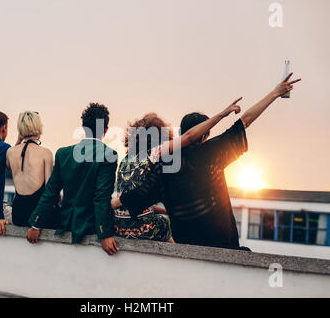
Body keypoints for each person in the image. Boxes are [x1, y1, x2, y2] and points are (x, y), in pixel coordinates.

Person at [112, 73, 301, 249]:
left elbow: (138, 196)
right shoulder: (212, 153)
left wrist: (108, 205)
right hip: (222, 244)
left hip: (187, 248)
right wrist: (275, 93)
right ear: (204, 134)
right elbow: (246, 120)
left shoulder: (164, 164)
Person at [114, 100, 242, 243]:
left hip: (119, 226)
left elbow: (140, 199)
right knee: (167, 225)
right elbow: (189, 137)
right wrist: (222, 114)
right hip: (141, 228)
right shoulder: (155, 153)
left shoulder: (125, 160)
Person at [26, 103, 120, 256]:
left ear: (83, 128)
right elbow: (101, 197)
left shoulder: (63, 154)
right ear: (106, 129)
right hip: (90, 227)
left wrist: (36, 224)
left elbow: (51, 192)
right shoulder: (109, 155)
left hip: (66, 223)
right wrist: (104, 233)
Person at [6, 111, 55, 227]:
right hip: (37, 215)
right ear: (38, 127)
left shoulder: (10, 152)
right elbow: (49, 191)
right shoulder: (45, 153)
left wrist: (19, 140)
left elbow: (8, 165)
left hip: (18, 215)